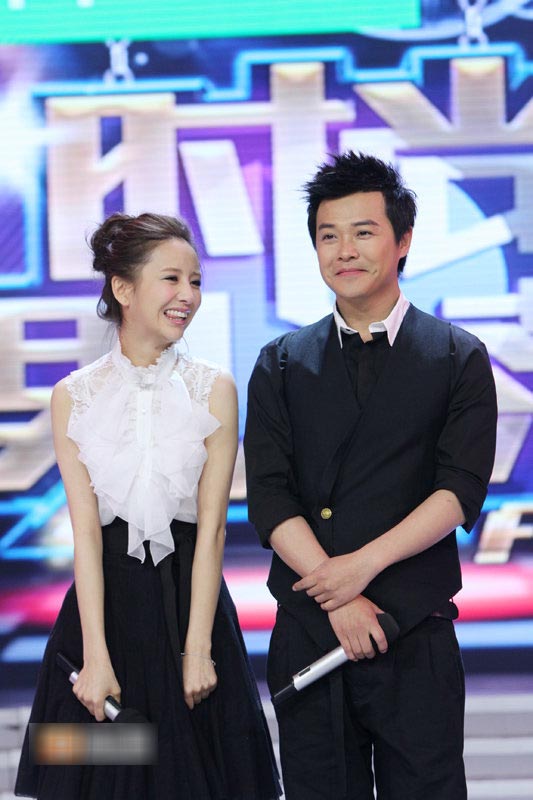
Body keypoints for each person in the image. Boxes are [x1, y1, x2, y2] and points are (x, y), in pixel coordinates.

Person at [244, 152, 497, 800]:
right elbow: (269, 496)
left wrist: (360, 570)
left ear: (402, 240)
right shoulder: (280, 362)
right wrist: (338, 598)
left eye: (363, 232)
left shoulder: (456, 355)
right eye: (328, 235)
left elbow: (459, 488)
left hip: (413, 631)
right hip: (309, 630)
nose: (344, 250)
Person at [16, 212, 281, 800]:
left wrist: (199, 650)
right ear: (123, 288)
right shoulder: (72, 395)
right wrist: (94, 657)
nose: (188, 295)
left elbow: (212, 530)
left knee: (199, 777)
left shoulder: (214, 387)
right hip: (101, 617)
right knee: (96, 774)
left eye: (196, 281)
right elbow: (86, 535)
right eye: (171, 279)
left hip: (191, 608)